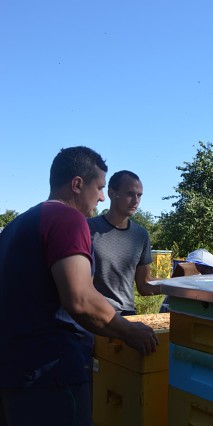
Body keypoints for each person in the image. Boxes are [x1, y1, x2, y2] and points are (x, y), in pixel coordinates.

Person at [0, 147, 158, 426]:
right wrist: (130, 331)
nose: (101, 196)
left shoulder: (17, 225)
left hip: (14, 372)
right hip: (51, 373)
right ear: (76, 184)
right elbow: (81, 299)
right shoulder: (68, 219)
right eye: (99, 187)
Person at [88, 170, 156, 316]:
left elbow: (144, 286)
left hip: (128, 315)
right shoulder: (88, 228)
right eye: (130, 194)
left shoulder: (141, 235)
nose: (136, 200)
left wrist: (179, 285)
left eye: (139, 195)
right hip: (95, 315)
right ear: (111, 193)